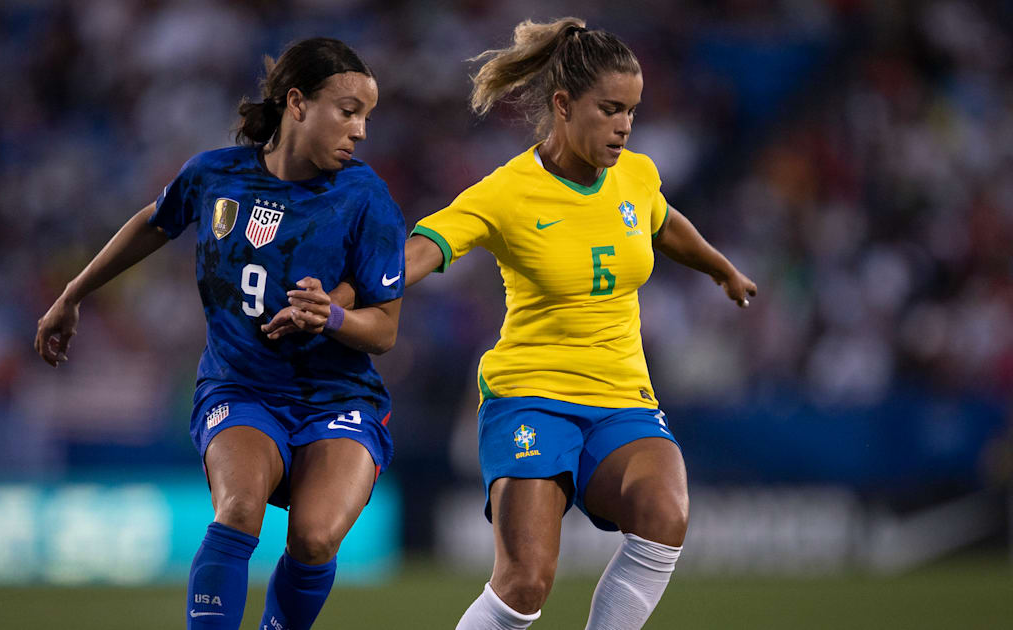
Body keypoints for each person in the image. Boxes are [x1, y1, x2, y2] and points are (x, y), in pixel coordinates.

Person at [321, 16, 756, 630]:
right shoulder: (508, 192)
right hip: (530, 398)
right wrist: (335, 298)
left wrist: (720, 269)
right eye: (610, 109)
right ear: (563, 103)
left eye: (632, 111)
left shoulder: (637, 174)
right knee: (525, 584)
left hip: (622, 397)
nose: (625, 126)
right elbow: (415, 252)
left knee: (665, 515)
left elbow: (662, 222)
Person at [34, 38, 405, 630]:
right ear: (296, 103)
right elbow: (153, 224)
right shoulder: (214, 175)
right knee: (238, 512)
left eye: (366, 116)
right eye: (348, 110)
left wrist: (330, 317)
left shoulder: (366, 198)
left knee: (312, 540)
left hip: (339, 399)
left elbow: (383, 330)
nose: (360, 131)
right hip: (242, 387)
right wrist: (72, 293)